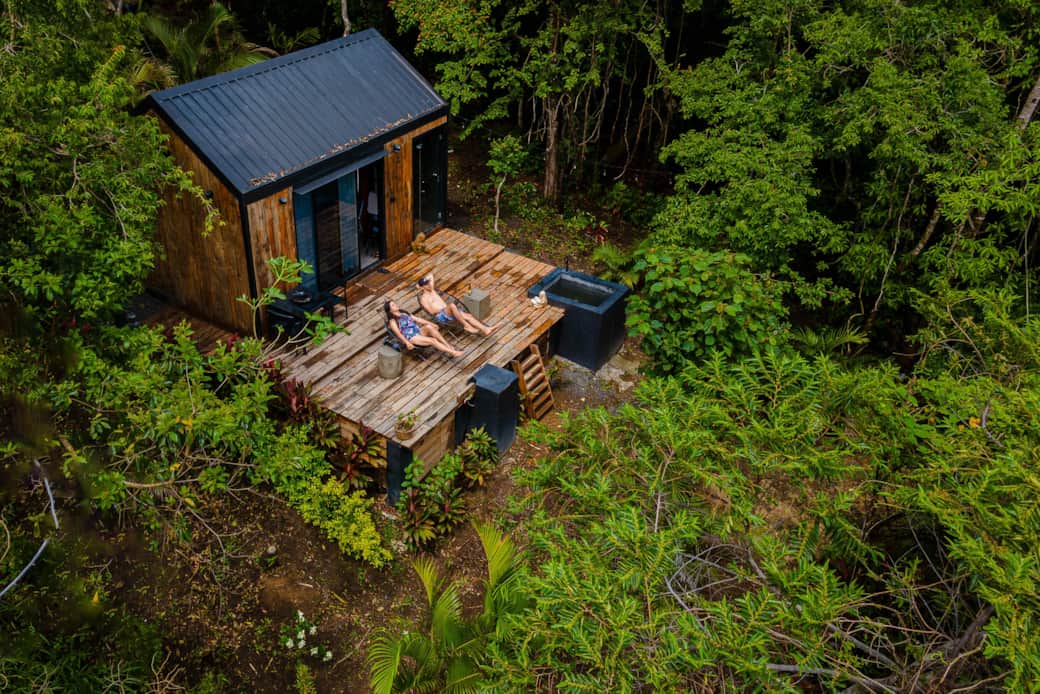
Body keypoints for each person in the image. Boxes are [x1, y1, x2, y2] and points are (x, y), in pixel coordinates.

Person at [416, 273, 498, 336]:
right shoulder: (424, 299)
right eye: (426, 284)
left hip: (449, 311)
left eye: (428, 283)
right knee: (451, 305)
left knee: (468, 316)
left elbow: (431, 275)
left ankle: (486, 329)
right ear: (423, 287)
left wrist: (420, 284)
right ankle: (467, 326)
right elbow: (431, 312)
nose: (429, 285)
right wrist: (444, 308)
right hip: (441, 315)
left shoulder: (432, 290)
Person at [384, 300, 463, 357]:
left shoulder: (403, 313)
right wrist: (407, 343)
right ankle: (452, 352)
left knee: (429, 327)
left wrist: (431, 323)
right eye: (393, 305)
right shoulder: (393, 321)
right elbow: (398, 334)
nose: (396, 305)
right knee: (433, 340)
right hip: (411, 337)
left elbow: (418, 319)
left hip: (418, 331)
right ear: (389, 310)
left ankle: (447, 345)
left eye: (395, 303)